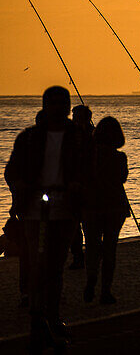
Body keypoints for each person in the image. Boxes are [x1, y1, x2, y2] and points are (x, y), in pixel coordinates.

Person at [5, 87, 81, 350]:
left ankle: (52, 316)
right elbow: (11, 171)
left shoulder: (80, 137)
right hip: (35, 208)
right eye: (54, 103)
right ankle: (38, 319)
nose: (60, 108)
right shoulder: (29, 138)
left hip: (67, 208)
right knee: (37, 263)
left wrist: (77, 186)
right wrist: (20, 188)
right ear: (45, 106)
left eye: (64, 103)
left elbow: (89, 170)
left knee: (56, 265)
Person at [83, 116, 129, 305]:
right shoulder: (119, 157)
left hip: (91, 206)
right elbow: (122, 179)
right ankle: (105, 290)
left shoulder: (88, 155)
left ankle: (91, 277)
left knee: (92, 245)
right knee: (111, 248)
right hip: (115, 205)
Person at [68, 105, 95, 271]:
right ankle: (78, 256)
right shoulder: (68, 134)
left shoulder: (94, 135)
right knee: (73, 225)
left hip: (90, 187)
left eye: (78, 116)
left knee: (89, 225)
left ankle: (89, 255)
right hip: (72, 187)